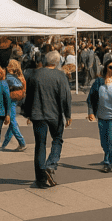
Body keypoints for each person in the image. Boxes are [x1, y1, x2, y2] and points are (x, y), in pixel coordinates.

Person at [22, 49, 72, 189]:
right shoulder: (60, 76)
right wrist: (68, 114)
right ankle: (50, 164)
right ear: (57, 62)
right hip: (55, 115)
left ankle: (40, 179)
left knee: (40, 145)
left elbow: (28, 95)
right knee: (57, 139)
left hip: (38, 114)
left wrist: (28, 113)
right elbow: (66, 96)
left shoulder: (35, 74)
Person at [1, 59, 27, 151]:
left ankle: (22, 142)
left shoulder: (8, 77)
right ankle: (5, 142)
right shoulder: (19, 76)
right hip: (18, 98)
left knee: (12, 120)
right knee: (12, 120)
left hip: (11, 98)